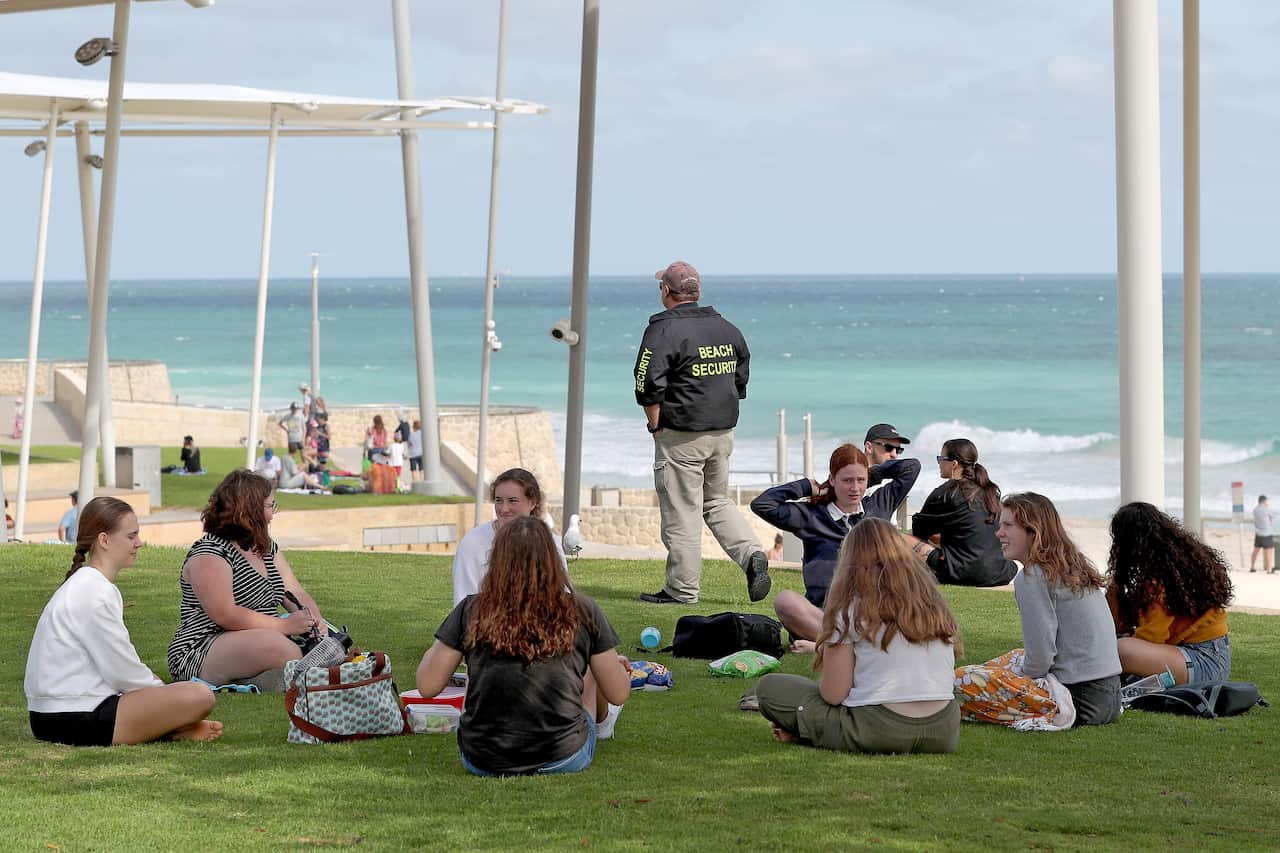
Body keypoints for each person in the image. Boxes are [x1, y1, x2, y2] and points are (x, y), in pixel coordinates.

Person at [416, 516, 631, 776]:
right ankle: (602, 727)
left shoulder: (472, 609)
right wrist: (613, 665)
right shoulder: (583, 610)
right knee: (590, 669)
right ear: (552, 560)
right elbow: (618, 693)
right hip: (562, 756)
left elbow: (427, 685)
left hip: (482, 759)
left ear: (497, 560)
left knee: (479, 673)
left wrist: (449, 643)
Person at [25, 496, 222, 746]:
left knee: (181, 694)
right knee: (200, 695)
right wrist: (163, 692)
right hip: (72, 716)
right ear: (104, 540)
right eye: (131, 536)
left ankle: (170, 727)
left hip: (54, 715)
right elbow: (122, 671)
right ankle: (171, 729)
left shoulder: (86, 584)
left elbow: (119, 667)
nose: (139, 543)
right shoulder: (94, 590)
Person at [754, 518, 961, 754]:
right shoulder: (934, 607)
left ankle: (805, 729)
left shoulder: (850, 609)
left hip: (878, 728)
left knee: (770, 688)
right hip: (943, 729)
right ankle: (808, 728)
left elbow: (833, 694)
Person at [633, 260, 768, 604]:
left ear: (666, 291)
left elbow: (646, 381)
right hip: (722, 433)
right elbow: (741, 377)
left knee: (682, 513)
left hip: (682, 434)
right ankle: (752, 553)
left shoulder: (663, 329)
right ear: (697, 291)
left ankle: (681, 590)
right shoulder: (727, 328)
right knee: (717, 501)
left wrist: (655, 424)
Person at [955, 493, 1121, 728]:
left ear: (1033, 531)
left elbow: (1041, 658)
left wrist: (1013, 682)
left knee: (959, 681)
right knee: (1014, 657)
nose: (999, 533)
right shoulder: (1070, 566)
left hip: (1077, 698)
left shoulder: (1033, 576)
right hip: (1109, 696)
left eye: (1008, 526)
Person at [166, 469, 328, 690]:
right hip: (203, 647)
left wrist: (315, 621)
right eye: (271, 506)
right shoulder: (210, 553)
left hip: (260, 638)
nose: (273, 514)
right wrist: (284, 625)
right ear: (249, 510)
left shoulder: (264, 547)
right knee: (283, 649)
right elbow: (226, 614)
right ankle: (261, 678)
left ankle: (266, 677)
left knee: (320, 643)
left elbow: (295, 593)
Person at [752, 443, 920, 651]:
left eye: (860, 480)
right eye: (847, 480)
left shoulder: (878, 507)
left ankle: (828, 646)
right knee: (785, 601)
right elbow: (762, 504)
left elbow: (911, 467)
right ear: (832, 480)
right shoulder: (811, 515)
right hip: (824, 617)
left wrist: (872, 474)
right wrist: (807, 486)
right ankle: (846, 645)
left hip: (872, 614)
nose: (855, 488)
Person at [1107, 502, 1233, 685]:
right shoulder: (1179, 562)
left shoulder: (1158, 577)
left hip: (1202, 660)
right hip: (1211, 655)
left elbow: (1152, 637)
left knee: (1120, 649)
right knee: (1119, 646)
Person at [907, 438, 1017, 587]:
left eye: (941, 459)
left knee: (900, 538)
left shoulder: (946, 493)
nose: (939, 463)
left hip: (963, 573)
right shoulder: (990, 491)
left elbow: (919, 532)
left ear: (954, 464)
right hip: (999, 571)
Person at [453, 468, 566, 605]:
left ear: (532, 503)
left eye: (512, 501)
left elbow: (561, 598)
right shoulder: (472, 543)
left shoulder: (550, 543)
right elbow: (464, 603)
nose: (504, 509)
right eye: (499, 500)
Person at [1252, 495, 1275, 574]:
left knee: (1255, 551)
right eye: (1266, 501)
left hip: (1258, 533)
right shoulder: (1266, 509)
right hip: (1267, 533)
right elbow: (1272, 517)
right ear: (1263, 501)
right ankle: (1269, 570)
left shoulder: (1255, 509)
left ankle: (1252, 567)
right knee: (1269, 551)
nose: (1267, 502)